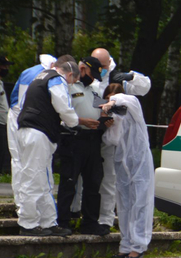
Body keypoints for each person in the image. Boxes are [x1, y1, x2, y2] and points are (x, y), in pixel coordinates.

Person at [15, 61, 83, 236]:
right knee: (34, 178)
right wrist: (74, 122)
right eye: (73, 82)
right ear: (69, 75)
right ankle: (29, 224)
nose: (70, 85)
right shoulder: (57, 80)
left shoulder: (39, 77)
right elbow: (64, 105)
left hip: (28, 130)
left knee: (43, 179)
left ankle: (48, 222)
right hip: (39, 132)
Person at [88, 47, 152, 230]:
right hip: (91, 130)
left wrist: (131, 77)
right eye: (97, 66)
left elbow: (145, 87)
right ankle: (81, 213)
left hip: (114, 132)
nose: (100, 69)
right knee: (87, 179)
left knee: (110, 179)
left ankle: (106, 219)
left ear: (109, 63)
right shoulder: (87, 76)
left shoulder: (117, 77)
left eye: (103, 65)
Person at [55, 57, 110, 235]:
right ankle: (63, 221)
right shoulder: (68, 87)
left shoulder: (95, 89)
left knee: (93, 182)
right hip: (74, 139)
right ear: (82, 69)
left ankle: (90, 222)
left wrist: (105, 120)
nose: (92, 78)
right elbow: (62, 113)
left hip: (93, 139)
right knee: (69, 181)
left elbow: (100, 109)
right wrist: (82, 121)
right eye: (90, 73)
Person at [101, 83, 155, 258]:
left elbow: (129, 99)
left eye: (112, 97)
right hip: (122, 164)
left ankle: (138, 245)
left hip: (140, 161)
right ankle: (125, 244)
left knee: (141, 202)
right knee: (124, 204)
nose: (110, 101)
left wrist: (112, 102)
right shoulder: (116, 116)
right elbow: (111, 140)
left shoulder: (132, 106)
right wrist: (108, 123)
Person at [7, 54, 64, 211]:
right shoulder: (48, 77)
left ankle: (23, 204)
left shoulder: (30, 72)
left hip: (20, 119)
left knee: (21, 162)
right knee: (36, 167)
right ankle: (30, 209)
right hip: (31, 122)